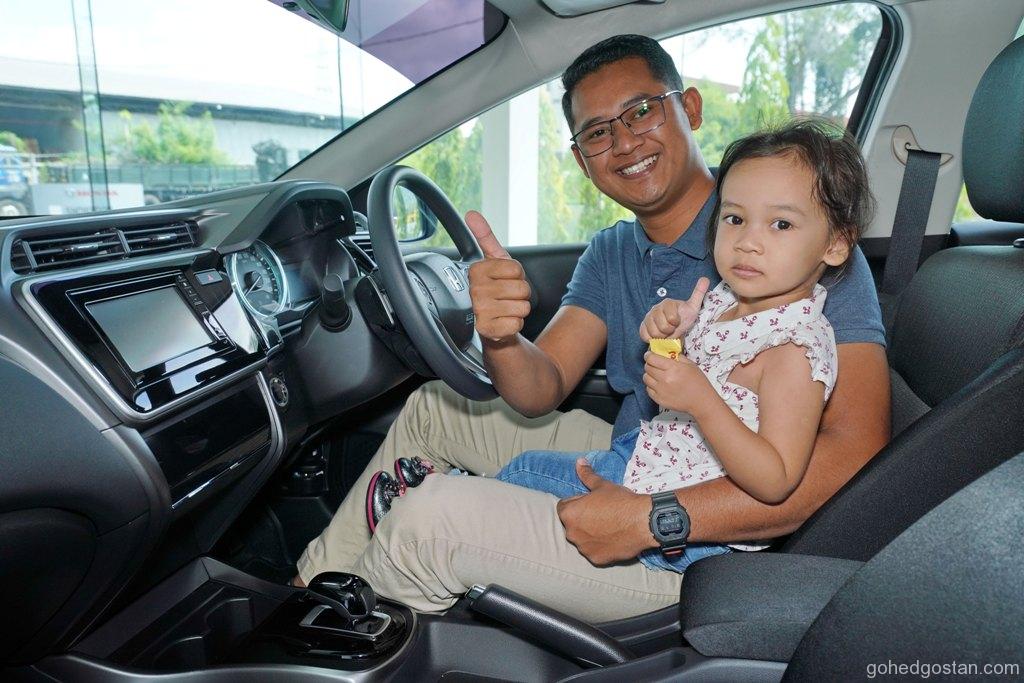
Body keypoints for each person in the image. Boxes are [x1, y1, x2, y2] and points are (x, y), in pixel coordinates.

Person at [296, 34, 890, 623]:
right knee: (435, 409)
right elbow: (540, 387)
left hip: (698, 544)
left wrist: (653, 519)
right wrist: (500, 335)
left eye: (641, 111)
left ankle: (349, 638)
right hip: (640, 451)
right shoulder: (615, 252)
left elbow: (853, 460)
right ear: (583, 160)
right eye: (598, 133)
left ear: (689, 109)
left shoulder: (796, 259)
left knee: (429, 521)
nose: (625, 142)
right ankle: (311, 593)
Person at [492, 119, 871, 574]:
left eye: (781, 224)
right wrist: (669, 341)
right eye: (734, 218)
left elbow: (776, 480)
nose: (748, 242)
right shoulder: (727, 300)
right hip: (656, 460)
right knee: (522, 476)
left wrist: (702, 401)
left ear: (835, 245)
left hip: (688, 521)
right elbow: (695, 380)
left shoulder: (795, 349)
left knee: (522, 473)